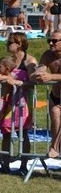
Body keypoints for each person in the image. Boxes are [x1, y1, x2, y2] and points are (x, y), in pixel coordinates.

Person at [33, 30, 61, 158]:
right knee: (55, 115)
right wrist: (37, 74)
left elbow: (50, 76)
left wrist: (51, 76)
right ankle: (56, 148)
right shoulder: (47, 55)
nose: (50, 43)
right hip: (55, 95)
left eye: (54, 41)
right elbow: (40, 70)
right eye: (49, 40)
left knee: (56, 113)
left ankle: (55, 147)